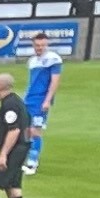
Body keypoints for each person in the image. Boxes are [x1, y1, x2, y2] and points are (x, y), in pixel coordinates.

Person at [20, 47, 66, 178]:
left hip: (40, 101)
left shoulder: (53, 59)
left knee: (36, 131)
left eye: (41, 45)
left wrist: (47, 100)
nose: (39, 47)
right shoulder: (33, 61)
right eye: (37, 45)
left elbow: (55, 81)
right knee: (27, 130)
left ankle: (32, 163)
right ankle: (28, 158)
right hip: (29, 99)